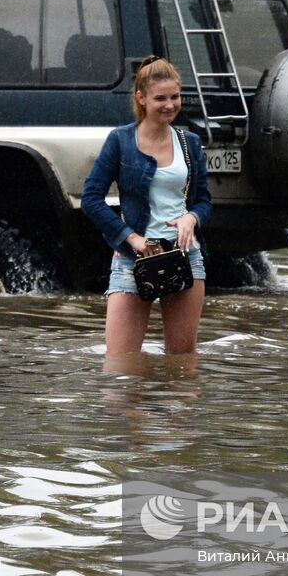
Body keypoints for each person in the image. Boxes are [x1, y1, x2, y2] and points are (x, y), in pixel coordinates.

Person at [82, 56, 211, 356]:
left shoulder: (189, 143)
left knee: (181, 369)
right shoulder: (120, 140)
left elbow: (204, 201)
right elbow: (91, 198)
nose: (170, 105)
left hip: (184, 257)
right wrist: (130, 237)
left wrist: (191, 218)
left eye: (175, 97)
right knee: (119, 370)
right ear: (141, 98)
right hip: (133, 258)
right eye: (160, 98)